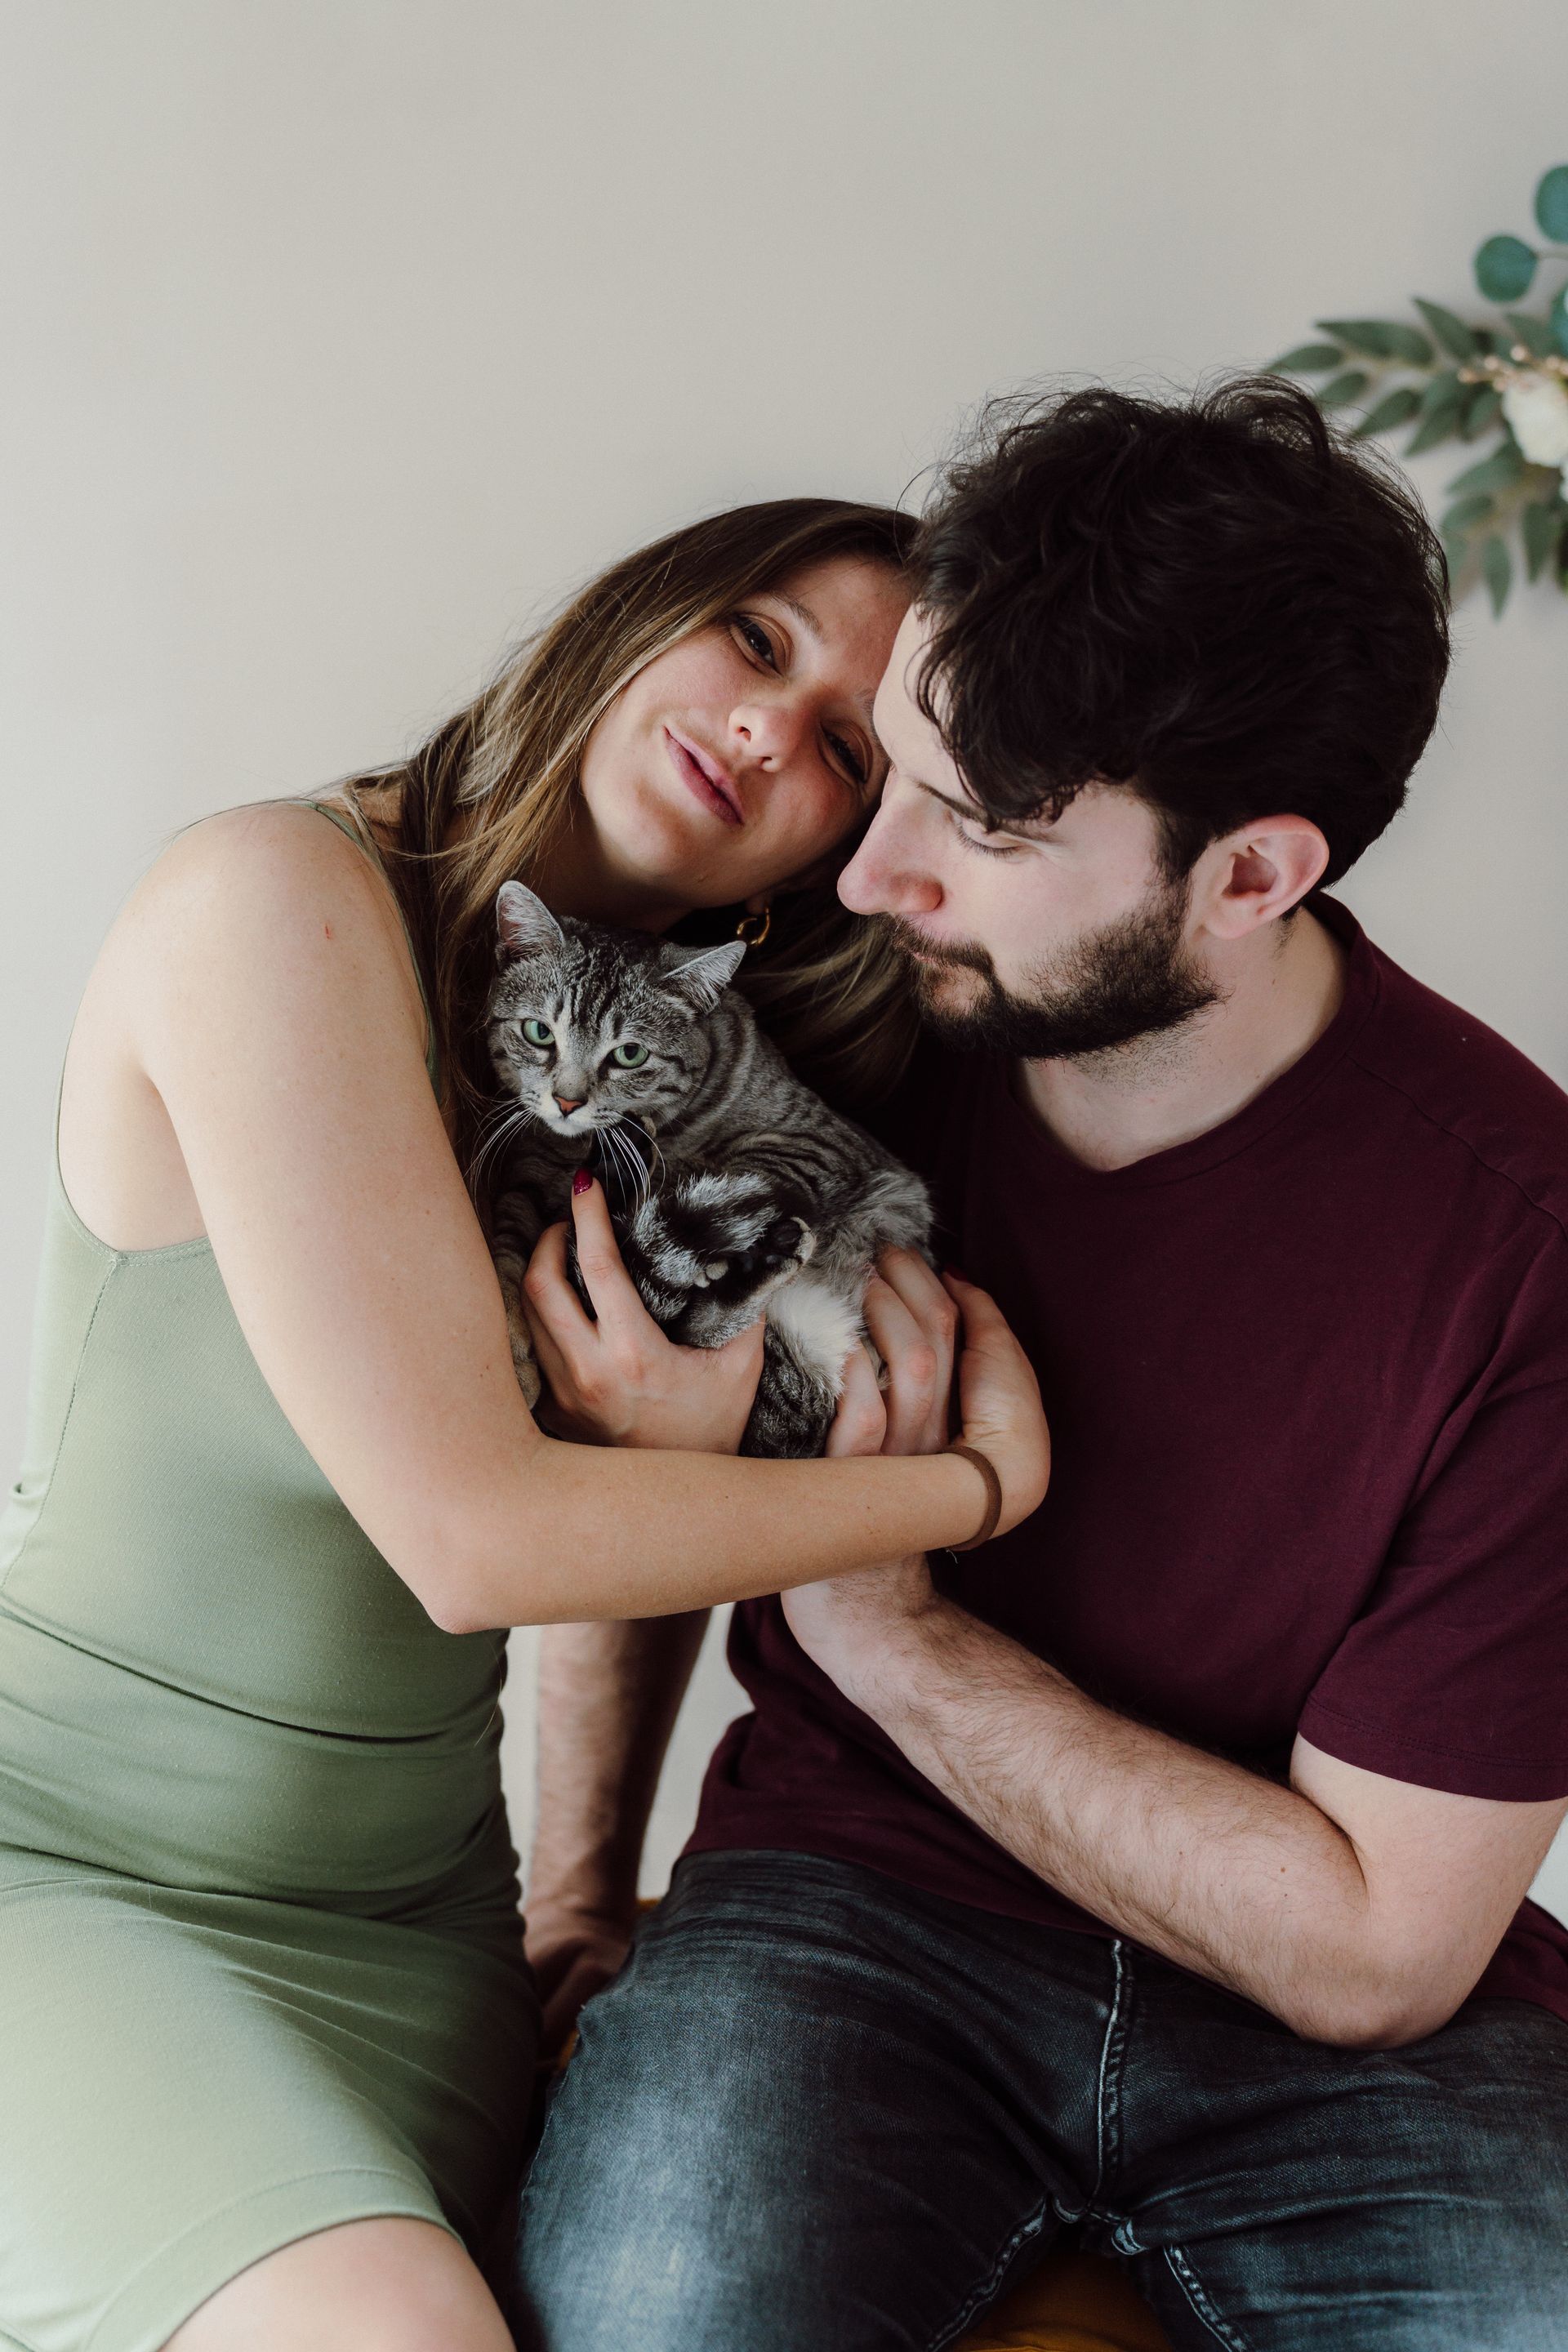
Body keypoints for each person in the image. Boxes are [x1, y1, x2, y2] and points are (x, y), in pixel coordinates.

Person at [511, 381, 1568, 2351]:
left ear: (1248, 875)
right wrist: (576, 1896)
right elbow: (639, 1463)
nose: (867, 876)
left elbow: (1373, 1959)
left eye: (981, 829)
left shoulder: (1524, 1252)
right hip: (849, 1911)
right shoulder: (837, 1031)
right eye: (898, 767)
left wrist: (885, 1627)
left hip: (1339, 2025)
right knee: (660, 2308)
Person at [0, 493, 1049, 2352]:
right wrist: (954, 1493)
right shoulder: (277, 899)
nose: (766, 729)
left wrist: (578, 1891)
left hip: (424, 1927)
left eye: (841, 749)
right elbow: (481, 1536)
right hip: (73, 1876)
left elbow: (619, 1514)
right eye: (754, 639)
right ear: (634, 611)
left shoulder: (674, 1080)